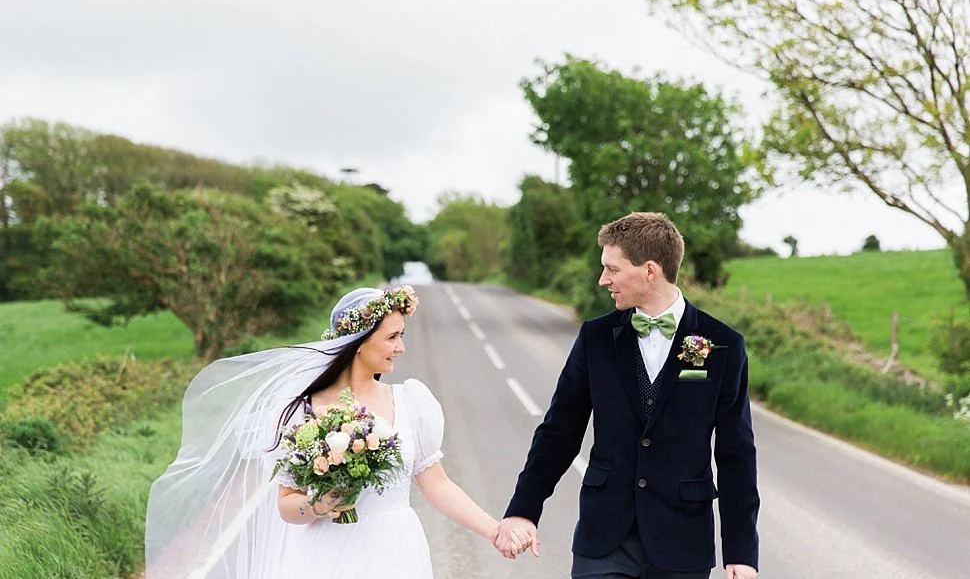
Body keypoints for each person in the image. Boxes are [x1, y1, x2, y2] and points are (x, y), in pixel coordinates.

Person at [146, 285, 525, 578]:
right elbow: (286, 505)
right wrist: (319, 506)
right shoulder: (300, 411)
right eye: (392, 337)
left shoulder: (411, 402)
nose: (402, 348)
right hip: (323, 553)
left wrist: (494, 530)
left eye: (402, 335)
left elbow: (438, 484)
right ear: (358, 342)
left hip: (395, 552)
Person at [494, 212, 760, 579]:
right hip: (604, 538)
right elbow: (559, 432)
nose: (604, 279)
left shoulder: (723, 345)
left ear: (650, 270)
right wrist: (523, 510)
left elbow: (736, 455)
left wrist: (741, 552)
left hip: (681, 542)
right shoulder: (595, 338)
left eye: (612, 269)